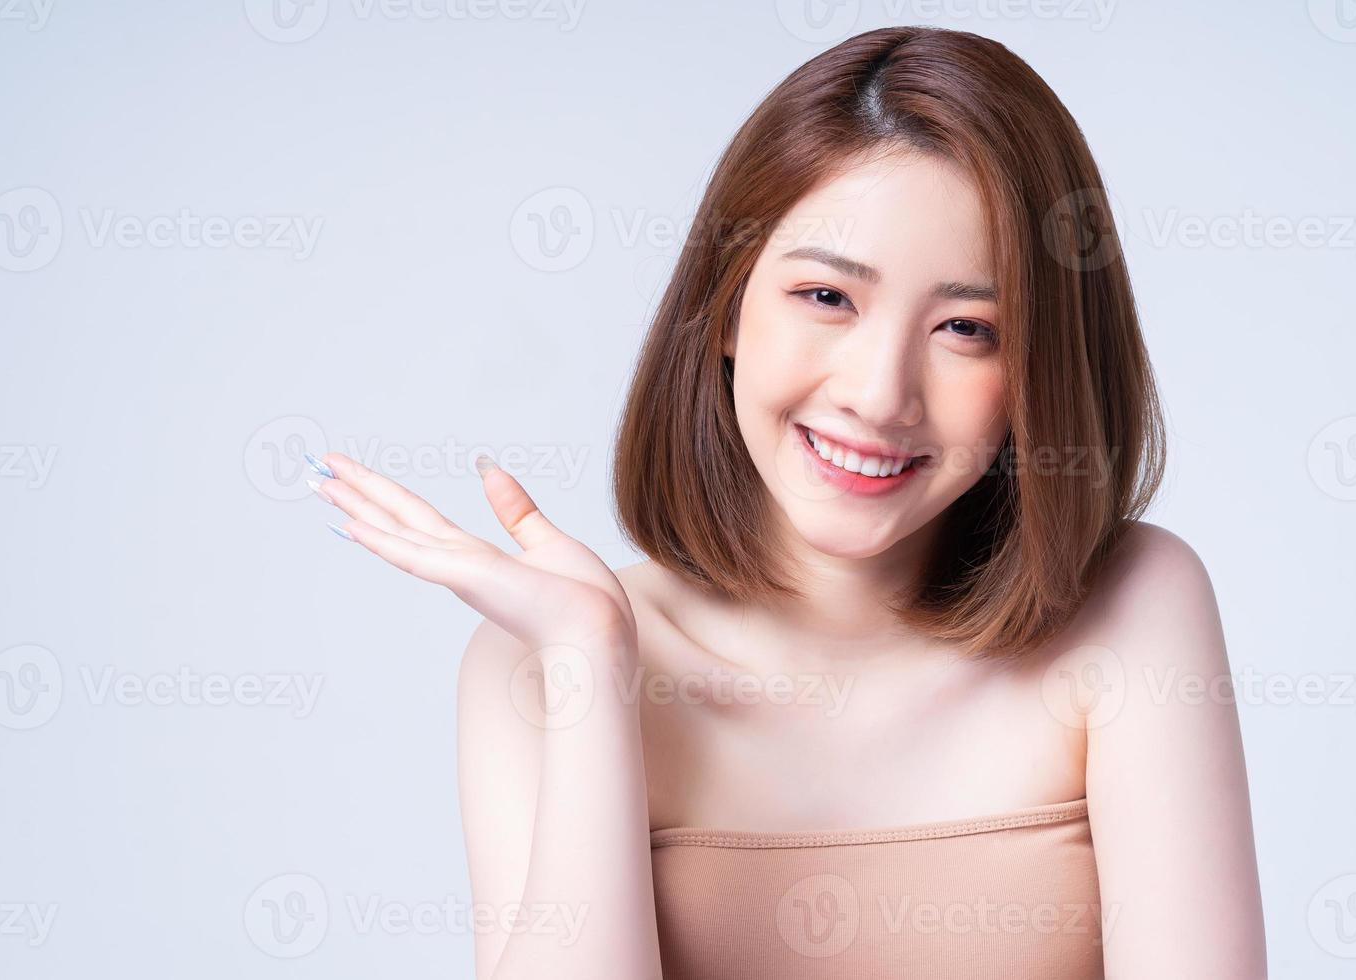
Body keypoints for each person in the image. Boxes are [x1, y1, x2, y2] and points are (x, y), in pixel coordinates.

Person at [306, 25, 1266, 979]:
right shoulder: (541, 656)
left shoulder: (1132, 606)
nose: (880, 394)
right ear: (727, 307)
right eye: (826, 298)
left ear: (1042, 367)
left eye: (967, 328)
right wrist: (590, 669)